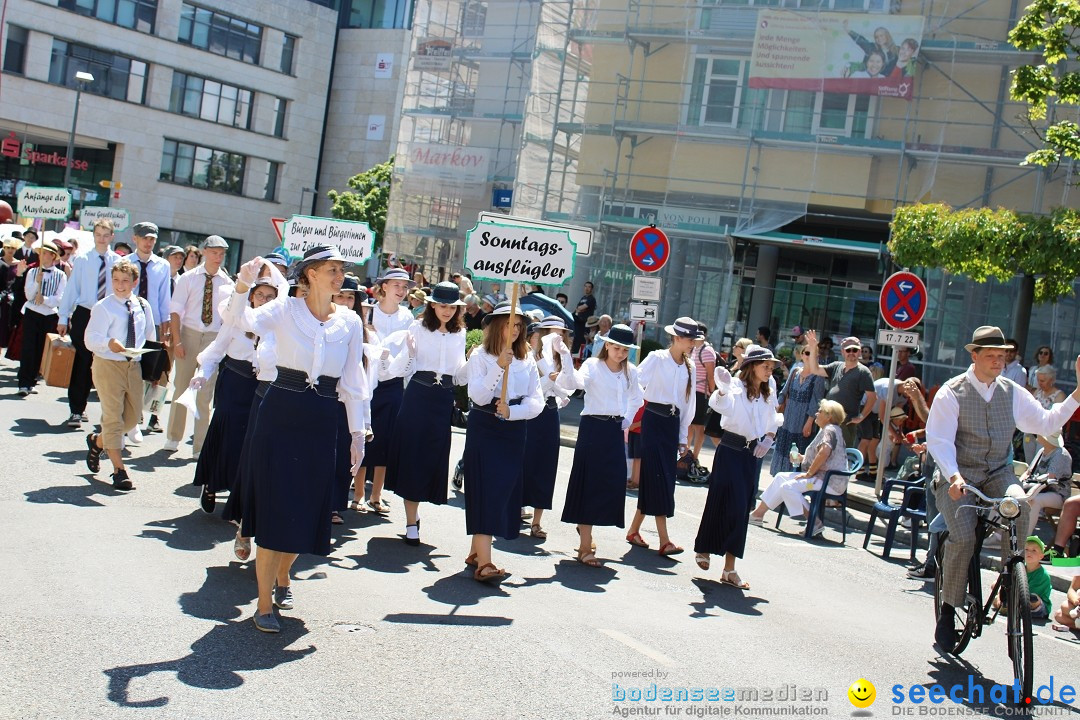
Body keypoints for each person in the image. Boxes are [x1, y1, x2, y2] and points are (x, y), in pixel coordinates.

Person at [225, 247, 370, 634]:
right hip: (281, 411)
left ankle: (283, 576)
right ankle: (262, 602)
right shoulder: (286, 309)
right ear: (308, 274)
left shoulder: (351, 321)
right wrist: (242, 284)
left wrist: (358, 433)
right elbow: (240, 319)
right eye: (332, 270)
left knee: (306, 509)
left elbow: (354, 380)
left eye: (342, 270)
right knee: (275, 508)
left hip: (323, 416)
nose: (340, 276)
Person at [925, 325, 1080, 653]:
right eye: (992, 355)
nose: (998, 361)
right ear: (975, 355)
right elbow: (938, 441)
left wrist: (1079, 392)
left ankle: (1015, 573)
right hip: (958, 477)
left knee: (1020, 501)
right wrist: (953, 477)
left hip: (997, 472)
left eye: (1002, 355)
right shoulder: (952, 392)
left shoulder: (1012, 392)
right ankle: (948, 610)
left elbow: (1048, 423)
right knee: (965, 538)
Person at [462, 301, 544, 582]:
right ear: (497, 326)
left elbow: (537, 400)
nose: (516, 329)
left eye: (519, 324)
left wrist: (513, 412)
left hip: (513, 429)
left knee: (501, 491)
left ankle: (476, 551)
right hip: (484, 426)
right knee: (484, 489)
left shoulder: (527, 357)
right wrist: (498, 366)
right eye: (510, 323)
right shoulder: (480, 356)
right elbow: (478, 396)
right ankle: (485, 563)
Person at [383, 281, 467, 546]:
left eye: (452, 307)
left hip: (443, 401)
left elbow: (460, 374)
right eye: (443, 305)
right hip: (418, 395)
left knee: (432, 457)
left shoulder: (460, 333)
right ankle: (411, 522)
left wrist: (474, 361)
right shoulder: (418, 328)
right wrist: (409, 351)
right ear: (432, 305)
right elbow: (399, 370)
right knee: (413, 456)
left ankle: (415, 513)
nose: (447, 311)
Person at [693, 345, 782, 588]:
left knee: (741, 509)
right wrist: (721, 389)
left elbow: (773, 417)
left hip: (752, 453)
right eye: (765, 366)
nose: (769, 370)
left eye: (771, 367)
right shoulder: (735, 385)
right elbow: (722, 407)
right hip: (730, 448)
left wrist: (769, 438)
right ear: (752, 366)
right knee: (720, 500)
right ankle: (704, 549)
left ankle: (729, 569)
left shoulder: (768, 388)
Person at [190, 277, 280, 514]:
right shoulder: (236, 320)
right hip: (234, 381)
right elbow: (216, 350)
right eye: (260, 295)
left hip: (259, 386)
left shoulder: (277, 325)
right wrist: (203, 373)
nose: (264, 300)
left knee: (250, 439)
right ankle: (211, 483)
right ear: (251, 296)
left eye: (270, 297)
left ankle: (238, 491)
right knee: (226, 431)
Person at [558, 323, 643, 566]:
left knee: (614, 481)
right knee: (589, 483)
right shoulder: (593, 366)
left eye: (625, 350)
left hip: (614, 429)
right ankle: (585, 545)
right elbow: (575, 383)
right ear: (606, 345)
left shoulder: (631, 371)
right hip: (593, 427)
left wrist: (627, 418)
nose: (620, 353)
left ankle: (585, 528)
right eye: (616, 348)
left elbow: (637, 398)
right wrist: (566, 357)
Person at [625, 317, 699, 557]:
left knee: (656, 478)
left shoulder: (690, 366)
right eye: (689, 339)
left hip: (672, 423)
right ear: (677, 338)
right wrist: (634, 411)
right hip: (654, 420)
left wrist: (682, 437)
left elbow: (688, 404)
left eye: (694, 340)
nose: (692, 344)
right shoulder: (657, 358)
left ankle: (634, 530)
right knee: (661, 479)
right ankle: (664, 540)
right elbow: (635, 382)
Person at [83, 259, 157, 491]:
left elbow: (149, 335)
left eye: (125, 281)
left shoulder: (142, 305)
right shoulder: (104, 307)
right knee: (113, 418)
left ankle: (97, 441)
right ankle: (119, 470)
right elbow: (89, 339)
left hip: (133, 365)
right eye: (115, 280)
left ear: (134, 282)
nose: (120, 285)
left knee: (133, 418)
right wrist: (108, 342)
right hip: (108, 365)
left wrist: (157, 365)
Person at [165, 235, 234, 460]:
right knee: (182, 386)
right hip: (189, 333)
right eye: (214, 252)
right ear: (205, 252)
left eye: (222, 253)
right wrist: (177, 341)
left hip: (213, 338)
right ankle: (173, 437)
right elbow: (175, 311)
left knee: (205, 393)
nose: (218, 257)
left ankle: (199, 445)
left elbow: (229, 318)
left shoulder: (227, 283)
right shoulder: (189, 278)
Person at [356, 267, 416, 515]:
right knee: (361, 434)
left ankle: (376, 495)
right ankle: (358, 492)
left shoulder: (408, 317)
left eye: (404, 287)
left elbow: (409, 350)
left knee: (386, 437)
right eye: (396, 286)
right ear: (384, 287)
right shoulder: (368, 312)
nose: (401, 291)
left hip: (393, 382)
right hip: (367, 379)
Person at [57, 219, 121, 429]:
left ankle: (109, 417)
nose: (102, 239)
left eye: (106, 234)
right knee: (82, 363)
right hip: (85, 313)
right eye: (98, 234)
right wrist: (63, 317)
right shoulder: (83, 259)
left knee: (107, 365)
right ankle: (76, 409)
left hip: (110, 315)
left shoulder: (118, 262)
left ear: (112, 236)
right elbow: (71, 290)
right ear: (93, 236)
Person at [750, 399, 846, 537]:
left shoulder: (830, 430)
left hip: (829, 481)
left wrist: (809, 473)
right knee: (780, 477)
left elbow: (825, 452)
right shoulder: (828, 430)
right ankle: (757, 515)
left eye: (820, 411)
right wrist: (801, 458)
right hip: (821, 477)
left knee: (788, 487)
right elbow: (823, 455)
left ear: (829, 416)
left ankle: (814, 523)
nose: (816, 414)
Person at [522, 316, 574, 539]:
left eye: (561, 332)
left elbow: (570, 385)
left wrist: (560, 391)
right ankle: (517, 507)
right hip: (531, 410)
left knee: (546, 464)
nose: (558, 336)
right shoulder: (531, 356)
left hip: (550, 412)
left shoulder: (562, 357)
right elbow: (528, 387)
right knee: (525, 460)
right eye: (553, 331)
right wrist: (550, 381)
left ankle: (537, 521)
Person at [126, 222, 172, 444]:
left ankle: (143, 414)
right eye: (144, 238)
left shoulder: (162, 265)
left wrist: (166, 326)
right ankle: (128, 418)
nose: (148, 242)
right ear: (135, 238)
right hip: (128, 322)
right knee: (128, 370)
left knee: (150, 372)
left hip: (151, 325)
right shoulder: (124, 263)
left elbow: (164, 298)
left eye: (152, 238)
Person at [804, 333, 875, 449]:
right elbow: (815, 369)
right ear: (842, 352)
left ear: (859, 352)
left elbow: (872, 397)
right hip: (826, 419)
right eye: (848, 350)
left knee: (841, 454)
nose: (851, 352)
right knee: (821, 451)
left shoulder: (864, 372)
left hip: (845, 423)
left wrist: (861, 416)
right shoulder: (836, 366)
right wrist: (812, 348)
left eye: (855, 350)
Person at [17, 242, 66, 396]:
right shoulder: (32, 272)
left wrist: (44, 299)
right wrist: (37, 282)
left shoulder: (61, 275)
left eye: (46, 253)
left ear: (53, 256)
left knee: (41, 349)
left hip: (48, 315)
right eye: (41, 253)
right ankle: (23, 383)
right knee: (28, 348)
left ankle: (32, 381)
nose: (43, 256)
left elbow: (60, 298)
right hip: (32, 312)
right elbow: (28, 295)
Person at [771, 347, 824, 475]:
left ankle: (791, 480)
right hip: (788, 418)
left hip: (803, 421)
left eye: (812, 354)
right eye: (806, 353)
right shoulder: (795, 371)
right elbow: (784, 392)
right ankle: (780, 479)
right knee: (783, 449)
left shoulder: (818, 376)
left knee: (797, 452)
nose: (809, 356)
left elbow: (816, 401)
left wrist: (810, 422)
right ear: (801, 355)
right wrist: (775, 409)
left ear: (817, 357)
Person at [1023, 433, 1073, 537]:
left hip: (1058, 494)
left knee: (1035, 500)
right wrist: (1018, 484)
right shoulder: (1042, 451)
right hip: (1038, 489)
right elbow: (1028, 472)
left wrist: (1030, 492)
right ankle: (996, 534)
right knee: (1009, 494)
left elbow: (1050, 479)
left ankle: (1023, 540)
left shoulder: (1061, 454)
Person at [994, 538, 1052, 620]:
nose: (1029, 552)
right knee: (995, 586)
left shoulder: (1042, 575)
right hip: (1018, 599)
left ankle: (1008, 607)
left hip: (1038, 607)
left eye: (1034, 550)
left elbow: (1028, 594)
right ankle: (1006, 605)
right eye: (1027, 549)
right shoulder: (1020, 568)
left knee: (1033, 598)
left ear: (1041, 556)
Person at [1024, 365, 1067, 462]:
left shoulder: (1059, 395)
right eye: (1038, 380)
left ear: (1051, 380)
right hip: (1030, 432)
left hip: (1047, 436)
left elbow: (1057, 418)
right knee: (1029, 462)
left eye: (1043, 381)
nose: (1040, 383)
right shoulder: (1037, 392)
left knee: (1040, 461)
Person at [688, 323, 718, 461]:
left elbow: (711, 376)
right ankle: (685, 455)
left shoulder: (707, 350)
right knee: (688, 425)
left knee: (699, 427)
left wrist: (712, 394)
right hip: (692, 392)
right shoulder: (693, 348)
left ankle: (694, 457)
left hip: (702, 394)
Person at [0, 236, 19, 348]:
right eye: (8, 247)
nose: (10, 250)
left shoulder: (19, 264)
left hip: (14, 300)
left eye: (13, 248)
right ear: (4, 248)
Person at [571, 281, 596, 354]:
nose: (587, 288)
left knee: (581, 340)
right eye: (586, 286)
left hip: (585, 323)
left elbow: (582, 307)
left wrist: (580, 309)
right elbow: (577, 308)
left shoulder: (591, 299)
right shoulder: (583, 298)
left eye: (589, 287)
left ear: (591, 289)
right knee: (575, 338)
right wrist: (579, 309)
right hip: (578, 321)